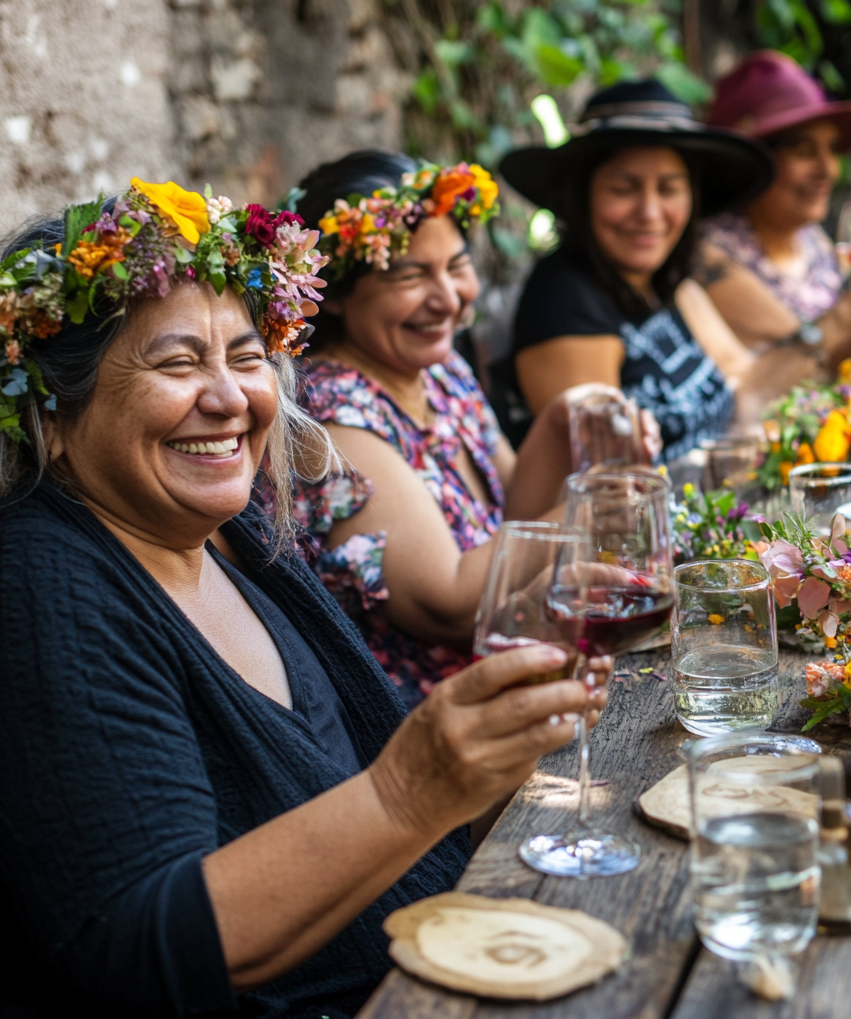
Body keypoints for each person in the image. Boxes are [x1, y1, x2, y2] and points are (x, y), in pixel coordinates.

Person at [0, 181, 608, 1018]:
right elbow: (137, 949)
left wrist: (511, 739)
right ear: (54, 415)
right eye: (178, 363)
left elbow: (384, 835)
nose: (229, 397)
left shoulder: (243, 543)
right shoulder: (46, 589)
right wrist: (412, 790)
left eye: (246, 358)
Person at [278, 152, 651, 708]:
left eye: (456, 266)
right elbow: (453, 603)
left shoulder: (438, 370)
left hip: (522, 673)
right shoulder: (331, 419)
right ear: (337, 293)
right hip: (438, 728)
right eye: (409, 274)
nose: (449, 298)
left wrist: (562, 418)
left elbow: (514, 516)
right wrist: (590, 506)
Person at [494, 78, 775, 460]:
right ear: (584, 196)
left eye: (669, 189)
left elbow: (749, 386)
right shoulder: (563, 298)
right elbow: (607, 480)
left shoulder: (662, 283)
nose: (649, 213)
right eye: (623, 189)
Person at [698, 50, 851, 408]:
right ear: (751, 162)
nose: (828, 169)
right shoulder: (710, 251)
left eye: (831, 149)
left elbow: (845, 360)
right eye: (803, 150)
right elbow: (797, 359)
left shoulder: (813, 242)